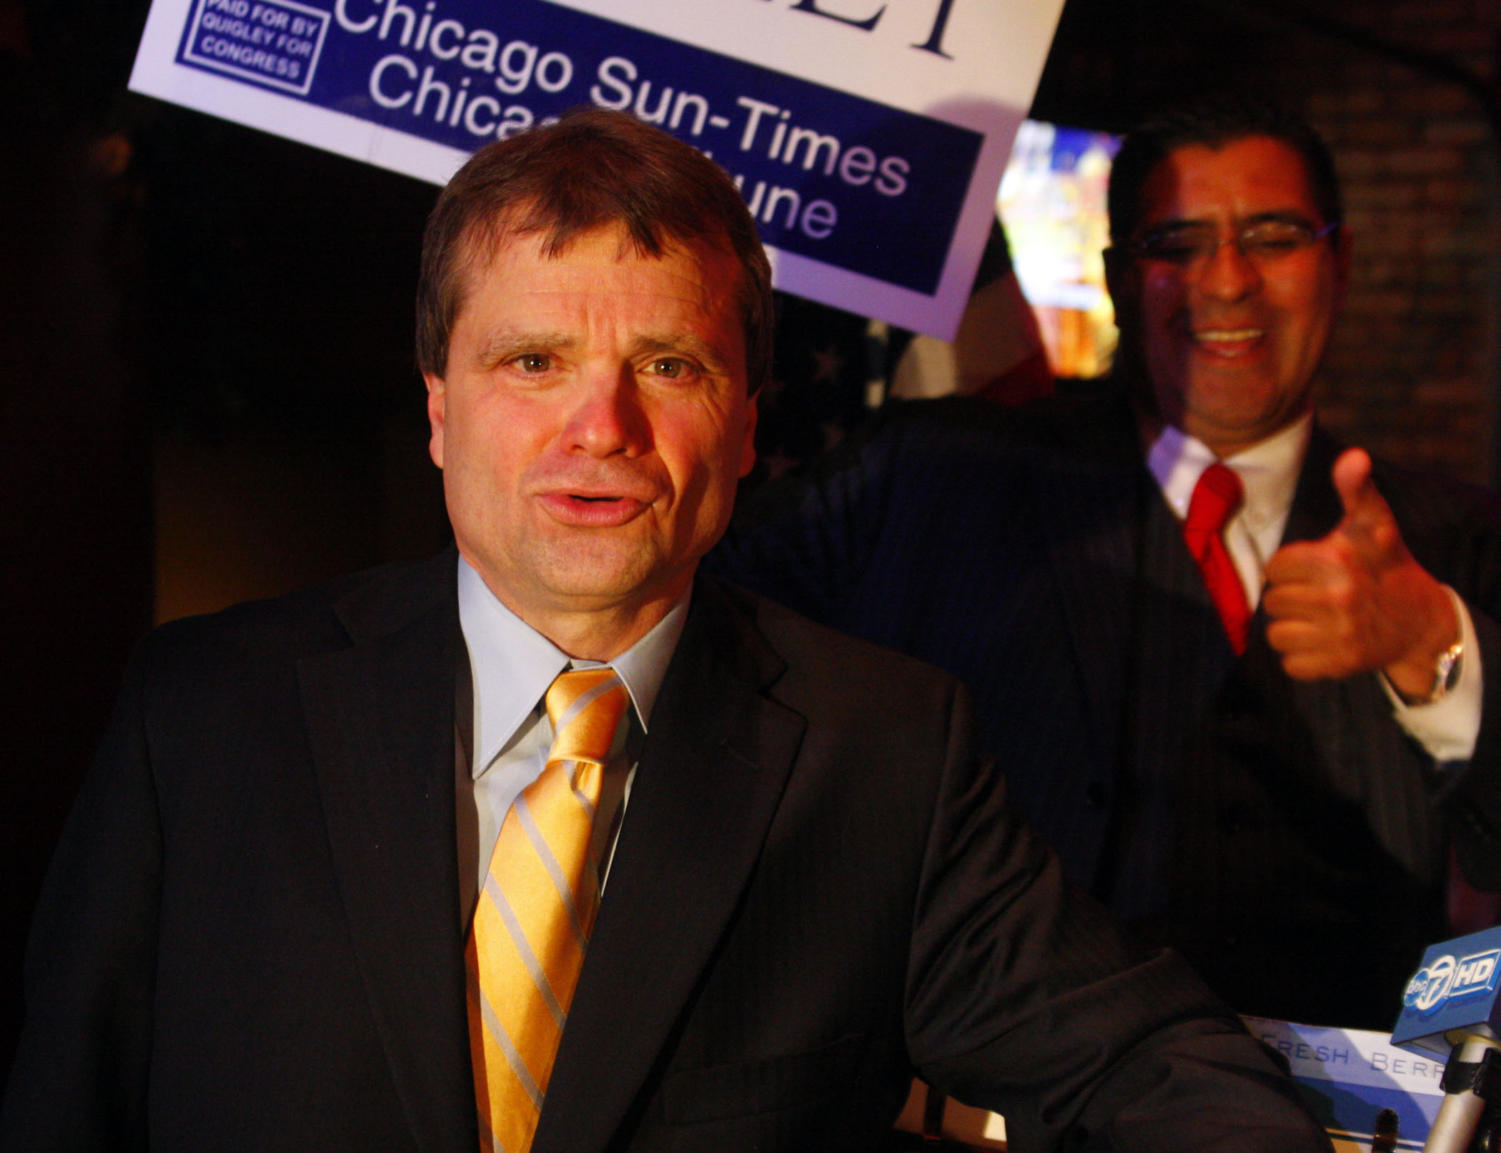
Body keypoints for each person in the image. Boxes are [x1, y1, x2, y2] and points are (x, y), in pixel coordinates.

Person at [0, 106, 1332, 1152]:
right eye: (533, 362)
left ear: (748, 423)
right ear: (438, 409)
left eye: (669, 366)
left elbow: (1152, 1064)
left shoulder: (883, 755)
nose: (602, 427)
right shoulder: (205, 718)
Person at [711, 96, 1501, 1030]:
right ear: (1118, 278)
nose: (1226, 280)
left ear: (1342, 262)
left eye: (1274, 235)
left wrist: (1434, 649)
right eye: (1175, 244)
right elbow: (678, 619)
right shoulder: (928, 476)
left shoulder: (1450, 543)